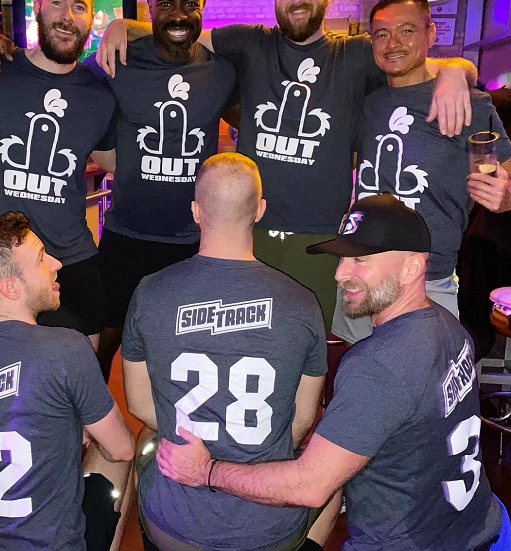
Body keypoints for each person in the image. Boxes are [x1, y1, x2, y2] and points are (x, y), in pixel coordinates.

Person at [97, 0, 476, 331]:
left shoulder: (357, 54)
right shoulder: (249, 43)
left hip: (320, 242)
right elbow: (181, 31)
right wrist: (122, 27)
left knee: (310, 345)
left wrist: (456, 70)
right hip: (247, 233)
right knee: (241, 341)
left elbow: (413, 61)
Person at [157, 193, 502, 551]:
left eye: (360, 260)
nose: (340, 274)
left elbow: (309, 487)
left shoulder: (378, 365)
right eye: (341, 258)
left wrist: (206, 471)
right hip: (473, 524)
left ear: (411, 268)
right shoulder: (448, 327)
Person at [123, 153, 338, 551]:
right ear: (259, 210)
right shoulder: (303, 303)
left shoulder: (149, 292)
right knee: (332, 487)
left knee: (147, 444)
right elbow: (301, 421)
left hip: (175, 528)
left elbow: (138, 404)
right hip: (267, 530)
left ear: (195, 211)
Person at [0, 211, 134, 550]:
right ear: (10, 287)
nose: (56, 264)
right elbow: (121, 449)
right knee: (128, 452)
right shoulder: (68, 348)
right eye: (41, 258)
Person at [330, 0, 511, 343]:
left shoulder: (470, 105)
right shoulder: (366, 104)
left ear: (430, 34)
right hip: (360, 270)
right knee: (357, 369)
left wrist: (505, 197)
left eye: (407, 30)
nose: (393, 43)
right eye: (382, 34)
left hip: (427, 280)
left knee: (427, 373)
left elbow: (504, 175)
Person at [85, 0, 236, 379]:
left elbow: (252, 121)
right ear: (149, 8)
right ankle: (92, 419)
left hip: (194, 239)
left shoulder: (222, 72)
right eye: (165, 3)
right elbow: (69, 88)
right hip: (127, 234)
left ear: (203, 7)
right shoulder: (117, 61)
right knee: (103, 342)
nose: (178, 14)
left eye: (190, 4)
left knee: (186, 348)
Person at [0, 0, 115, 351]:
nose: (67, 16)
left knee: (80, 375)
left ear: (91, 18)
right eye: (57, 2)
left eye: (79, 7)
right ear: (37, 7)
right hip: (0, 265)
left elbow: (114, 162)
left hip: (71, 262)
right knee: (8, 378)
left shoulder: (99, 95)